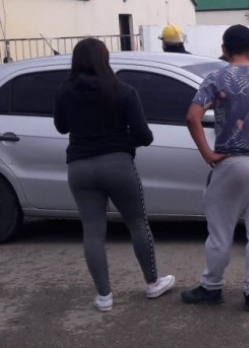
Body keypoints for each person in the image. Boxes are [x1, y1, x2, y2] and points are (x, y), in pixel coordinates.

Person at [53, 38, 175, 312]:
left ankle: (104, 296)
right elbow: (145, 135)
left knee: (92, 232)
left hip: (80, 167)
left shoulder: (64, 91)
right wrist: (125, 142)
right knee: (136, 223)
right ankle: (153, 283)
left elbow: (61, 127)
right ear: (105, 59)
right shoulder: (123, 91)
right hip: (118, 165)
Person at [182, 24, 249, 312]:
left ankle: (212, 286)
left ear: (224, 49)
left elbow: (192, 117)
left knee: (220, 230)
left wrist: (207, 154)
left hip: (230, 161)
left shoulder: (216, 77)